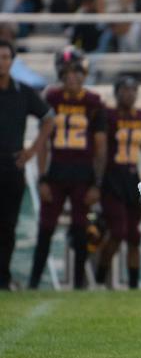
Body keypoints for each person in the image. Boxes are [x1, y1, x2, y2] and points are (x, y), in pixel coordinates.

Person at [29, 47, 107, 290]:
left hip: (82, 174)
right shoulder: (52, 97)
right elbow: (43, 144)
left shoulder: (93, 102)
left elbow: (101, 148)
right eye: (67, 72)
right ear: (60, 74)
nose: (71, 77)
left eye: (76, 72)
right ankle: (33, 283)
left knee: (80, 227)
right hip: (57, 171)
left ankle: (78, 286)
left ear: (83, 73)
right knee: (46, 226)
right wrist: (42, 178)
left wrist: (97, 184)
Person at [0, 39, 54, 290]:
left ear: (12, 61)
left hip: (12, 165)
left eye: (6, 57)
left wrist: (32, 150)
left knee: (8, 225)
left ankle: (4, 278)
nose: (2, 62)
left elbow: (48, 118)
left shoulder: (22, 91)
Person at [94, 76, 141, 289]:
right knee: (117, 232)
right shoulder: (108, 115)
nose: (130, 94)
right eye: (125, 90)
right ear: (116, 92)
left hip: (131, 179)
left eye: (133, 90)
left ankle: (133, 286)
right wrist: (97, 183)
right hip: (111, 178)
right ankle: (100, 276)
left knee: (134, 236)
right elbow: (99, 150)